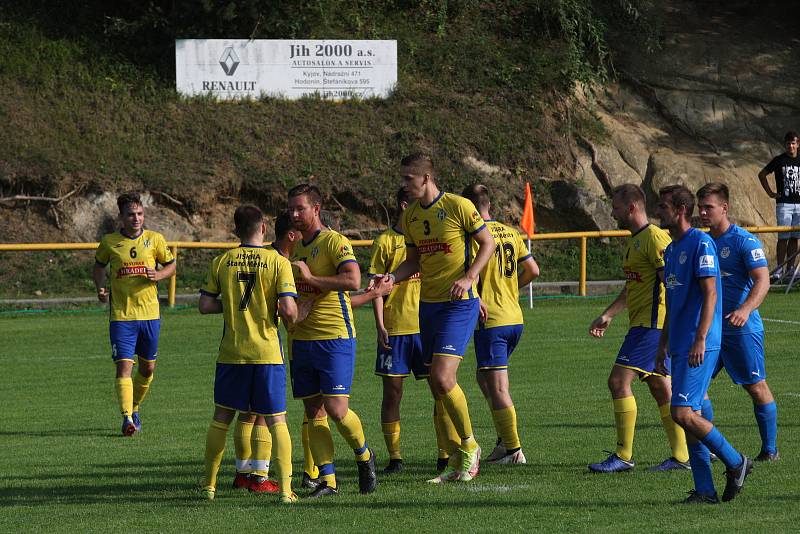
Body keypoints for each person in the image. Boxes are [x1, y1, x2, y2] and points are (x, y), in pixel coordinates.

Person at [372, 153, 496, 483]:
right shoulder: (411, 216)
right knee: (440, 387)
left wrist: (470, 278)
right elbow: (413, 262)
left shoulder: (459, 206)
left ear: (426, 178)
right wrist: (392, 279)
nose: (403, 185)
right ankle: (457, 457)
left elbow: (488, 243)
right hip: (428, 306)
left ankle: (470, 446)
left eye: (407, 179)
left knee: (441, 378)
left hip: (459, 304)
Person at [655, 185, 752, 504]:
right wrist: (662, 344)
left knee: (682, 413)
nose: (659, 212)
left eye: (663, 207)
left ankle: (736, 462)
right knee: (690, 414)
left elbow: (711, 293)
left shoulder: (701, 243)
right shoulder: (670, 250)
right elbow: (672, 300)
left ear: (680, 210)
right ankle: (705, 490)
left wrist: (700, 337)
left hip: (701, 342)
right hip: (680, 343)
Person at [198, 205, 298, 503]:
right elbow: (289, 309)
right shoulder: (277, 261)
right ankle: (286, 490)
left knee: (222, 418)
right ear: (263, 228)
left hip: (232, 352)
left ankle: (209, 486)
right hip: (266, 352)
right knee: (276, 419)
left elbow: (205, 306)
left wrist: (230, 306)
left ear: (235, 231)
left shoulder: (222, 261)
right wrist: (293, 319)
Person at [587, 184, 690, 473]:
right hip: (643, 324)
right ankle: (682, 457)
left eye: (616, 208)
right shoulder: (636, 241)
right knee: (661, 390)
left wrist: (673, 325)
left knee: (618, 382)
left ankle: (624, 455)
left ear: (631, 207)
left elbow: (669, 282)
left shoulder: (654, 239)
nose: (612, 212)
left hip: (652, 326)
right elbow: (634, 285)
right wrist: (609, 314)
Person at [288, 184, 377, 497]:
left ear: (316, 208)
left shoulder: (334, 241)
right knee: (313, 412)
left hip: (335, 336)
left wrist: (311, 279)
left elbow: (353, 280)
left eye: (300, 208)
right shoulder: (297, 247)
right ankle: (328, 481)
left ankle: (364, 456)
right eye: (291, 209)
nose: (294, 214)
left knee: (337, 409)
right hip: (302, 339)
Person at [696, 183, 779, 461]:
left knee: (756, 387)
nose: (703, 212)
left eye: (708, 207)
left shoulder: (744, 241)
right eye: (700, 207)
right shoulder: (702, 242)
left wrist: (744, 309)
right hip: (710, 331)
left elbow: (763, 280)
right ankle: (709, 448)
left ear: (724, 208)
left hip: (741, 330)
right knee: (696, 387)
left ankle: (770, 450)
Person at [461, 184, 540, 465]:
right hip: (514, 318)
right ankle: (503, 440)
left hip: (490, 320)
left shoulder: (473, 237)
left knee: (497, 387)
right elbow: (533, 270)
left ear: (468, 208)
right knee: (484, 378)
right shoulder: (511, 232)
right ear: (489, 204)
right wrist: (512, 290)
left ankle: (513, 450)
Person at [93, 192, 176, 436]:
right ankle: (127, 418)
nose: (136, 218)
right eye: (131, 214)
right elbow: (98, 267)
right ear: (121, 217)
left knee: (148, 368)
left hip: (150, 315)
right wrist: (99, 287)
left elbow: (171, 265)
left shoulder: (155, 239)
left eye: (139, 214)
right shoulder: (110, 242)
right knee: (124, 368)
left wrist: (159, 275)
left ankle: (135, 406)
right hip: (122, 317)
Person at [367, 188, 426, 474]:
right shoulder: (385, 242)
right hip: (396, 328)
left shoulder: (427, 238)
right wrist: (380, 325)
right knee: (392, 393)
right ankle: (395, 457)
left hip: (426, 326)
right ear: (405, 205)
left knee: (442, 389)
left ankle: (444, 454)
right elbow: (376, 290)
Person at [758, 131, 800, 281]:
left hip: (799, 204)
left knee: (795, 237)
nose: (791, 146)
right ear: (785, 144)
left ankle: (790, 270)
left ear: (798, 144)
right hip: (784, 204)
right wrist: (770, 193)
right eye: (788, 143)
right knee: (783, 237)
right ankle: (779, 270)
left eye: (793, 143)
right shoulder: (779, 160)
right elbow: (762, 174)